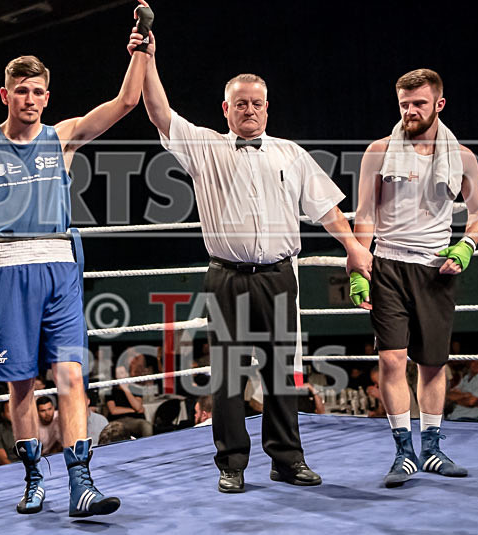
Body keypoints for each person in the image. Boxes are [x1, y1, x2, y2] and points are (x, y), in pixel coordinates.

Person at [0, 1, 154, 518]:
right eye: (22, 90)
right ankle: (34, 479)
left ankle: (81, 484)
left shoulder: (63, 137)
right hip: (7, 268)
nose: (32, 99)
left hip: (59, 265)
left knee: (71, 377)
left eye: (39, 91)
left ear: (47, 95)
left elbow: (128, 101)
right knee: (21, 384)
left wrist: (142, 47)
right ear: (5, 95)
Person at [140, 28, 371, 495]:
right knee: (227, 375)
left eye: (257, 103)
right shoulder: (206, 147)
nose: (249, 110)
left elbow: (326, 207)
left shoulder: (291, 153)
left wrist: (353, 247)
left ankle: (287, 460)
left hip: (279, 276)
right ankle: (231, 464)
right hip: (226, 275)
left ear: (268, 107)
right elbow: (160, 114)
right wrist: (148, 57)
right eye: (240, 103)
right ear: (226, 109)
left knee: (281, 372)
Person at [351, 69, 478, 487]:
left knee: (432, 363)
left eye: (419, 104)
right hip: (389, 264)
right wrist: (360, 266)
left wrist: (466, 246)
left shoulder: (462, 156)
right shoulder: (378, 151)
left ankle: (431, 448)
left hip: (435, 267)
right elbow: (364, 214)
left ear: (439, 105)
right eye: (404, 105)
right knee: (391, 358)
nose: (411, 111)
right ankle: (403, 452)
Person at [105, 367, 153, 438]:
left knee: (146, 425)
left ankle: (147, 447)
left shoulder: (136, 389)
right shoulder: (110, 391)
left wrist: (126, 389)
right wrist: (133, 410)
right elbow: (113, 410)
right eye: (120, 373)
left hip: (136, 419)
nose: (123, 375)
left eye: (124, 372)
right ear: (116, 376)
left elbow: (137, 407)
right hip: (119, 420)